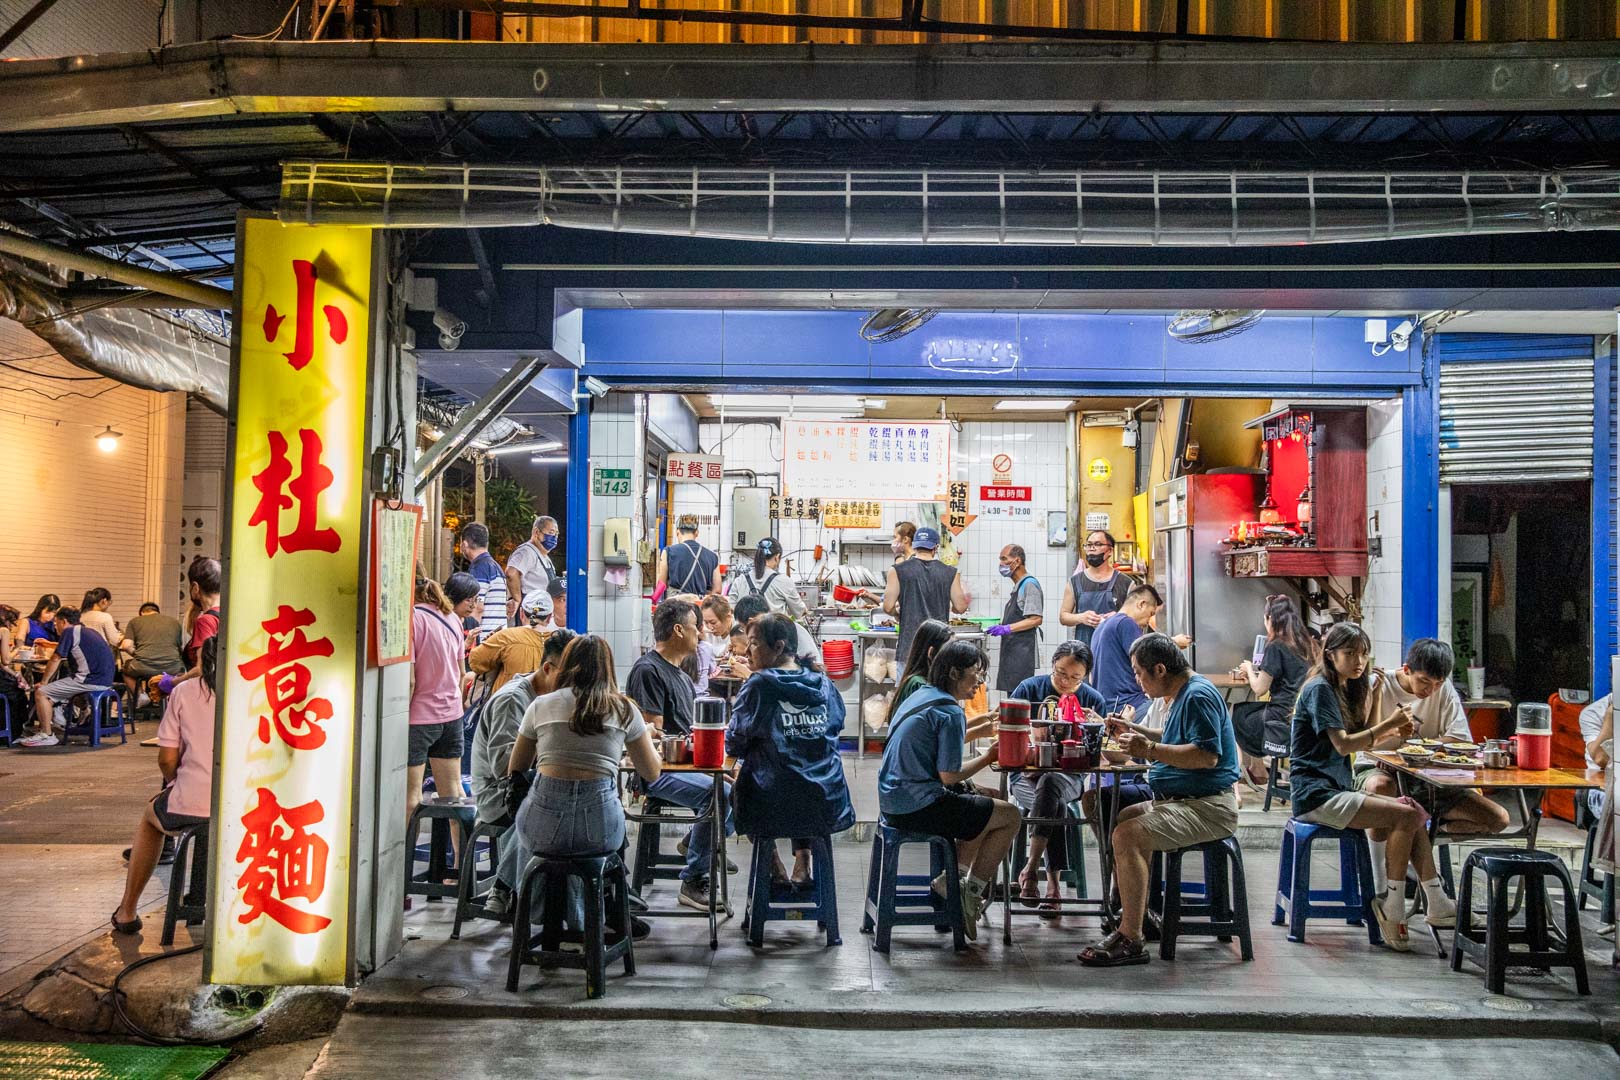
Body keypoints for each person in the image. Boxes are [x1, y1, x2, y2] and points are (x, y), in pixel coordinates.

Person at [1286, 621, 1454, 952]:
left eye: (1363, 654)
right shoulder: (1319, 688)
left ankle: (1430, 900)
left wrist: (1378, 702)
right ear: (1330, 654)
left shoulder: (1343, 688)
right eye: (1350, 653)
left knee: (1410, 810)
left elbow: (1365, 733)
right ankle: (1394, 905)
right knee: (1406, 815)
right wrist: (1390, 724)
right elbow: (1345, 746)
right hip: (1316, 794)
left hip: (1335, 789)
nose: (1359, 661)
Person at [1079, 634, 1242, 967]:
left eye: (1140, 673)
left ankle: (1131, 938)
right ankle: (1136, 913)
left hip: (1207, 806)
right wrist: (1135, 731)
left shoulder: (1197, 696)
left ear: (1161, 669)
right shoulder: (1182, 695)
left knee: (1127, 835)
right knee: (1121, 818)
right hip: (1180, 801)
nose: (1137, 681)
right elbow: (1175, 739)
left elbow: (1206, 756)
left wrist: (1148, 750)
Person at [508, 635, 662, 936]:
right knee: (606, 840)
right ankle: (610, 913)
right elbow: (651, 772)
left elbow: (515, 768)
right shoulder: (624, 710)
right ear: (607, 669)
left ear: (566, 666)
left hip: (542, 830)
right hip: (599, 832)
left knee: (530, 838)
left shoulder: (540, 706)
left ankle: (516, 904)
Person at [879, 638, 1019, 940]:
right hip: (917, 806)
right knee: (1010, 816)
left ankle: (951, 877)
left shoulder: (923, 694)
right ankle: (970, 893)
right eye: (976, 672)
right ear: (954, 672)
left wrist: (979, 730)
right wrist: (988, 757)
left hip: (893, 799)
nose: (979, 681)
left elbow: (934, 747)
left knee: (983, 803)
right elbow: (949, 776)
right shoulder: (951, 712)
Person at [1358, 639, 1511, 893]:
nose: (1430, 690)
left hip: (1427, 777)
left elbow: (1460, 738)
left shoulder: (1443, 689)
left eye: (1437, 684)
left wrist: (1422, 747)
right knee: (1381, 786)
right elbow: (1365, 742)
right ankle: (1380, 884)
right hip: (1379, 768)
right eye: (1424, 682)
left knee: (1498, 819)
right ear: (1407, 669)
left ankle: (1423, 832)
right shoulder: (1379, 683)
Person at [727, 613, 855, 886]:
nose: (748, 651)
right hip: (827, 801)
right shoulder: (823, 682)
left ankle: (773, 865)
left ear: (779, 647)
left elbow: (735, 742)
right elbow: (836, 724)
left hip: (773, 806)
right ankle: (804, 861)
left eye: (754, 643)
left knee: (751, 784)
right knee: (798, 775)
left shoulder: (759, 685)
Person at [624, 598, 735, 911]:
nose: (700, 633)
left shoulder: (681, 676)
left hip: (685, 766)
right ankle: (693, 877)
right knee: (720, 794)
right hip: (657, 773)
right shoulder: (648, 671)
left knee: (743, 787)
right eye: (694, 627)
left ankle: (698, 842)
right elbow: (648, 736)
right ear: (677, 630)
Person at [111, 636, 218, 934]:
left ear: (200, 662)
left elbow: (166, 760)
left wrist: (176, 784)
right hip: (250, 804)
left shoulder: (183, 692)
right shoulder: (257, 690)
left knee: (150, 816)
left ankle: (127, 911)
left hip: (194, 801)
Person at [470, 628, 576, 917]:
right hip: (498, 795)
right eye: (568, 678)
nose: (573, 687)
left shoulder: (552, 698)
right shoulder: (513, 700)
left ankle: (590, 899)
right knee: (552, 805)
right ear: (547, 668)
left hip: (532, 786)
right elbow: (506, 767)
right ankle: (508, 888)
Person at [1007, 640, 1107, 913]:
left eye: (1075, 677)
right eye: (1062, 672)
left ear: (1085, 676)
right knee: (1054, 799)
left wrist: (1096, 726)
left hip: (1069, 779)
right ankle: (1053, 886)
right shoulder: (1029, 689)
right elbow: (1006, 730)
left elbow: (1102, 753)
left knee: (1053, 786)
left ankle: (1030, 869)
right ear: (1053, 664)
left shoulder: (1092, 700)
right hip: (1024, 778)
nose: (1066, 681)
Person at [408, 576, 470, 867]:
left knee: (411, 799)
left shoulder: (412, 620)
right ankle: (461, 871)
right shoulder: (452, 619)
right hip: (451, 717)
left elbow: (409, 680)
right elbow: (461, 674)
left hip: (418, 719)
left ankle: (400, 876)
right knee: (454, 795)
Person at [1231, 595, 1316, 786]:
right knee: (1249, 710)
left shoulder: (1276, 645)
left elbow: (1259, 689)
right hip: (1305, 716)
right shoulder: (1307, 644)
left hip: (1281, 717)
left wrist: (1249, 670)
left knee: (1237, 714)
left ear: (1271, 619)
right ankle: (1257, 769)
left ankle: (1249, 773)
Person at [20, 605, 117, 747]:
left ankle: (47, 734)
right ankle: (84, 711)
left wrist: (44, 681)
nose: (55, 627)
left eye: (56, 623)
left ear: (63, 621)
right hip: (105, 679)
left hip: (90, 679)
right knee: (59, 693)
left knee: (42, 693)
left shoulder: (70, 631)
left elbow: (55, 658)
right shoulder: (88, 631)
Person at [1089, 582, 1189, 714]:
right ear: (1141, 604)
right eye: (1151, 613)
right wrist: (1173, 642)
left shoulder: (1101, 627)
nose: (1149, 620)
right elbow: (1147, 655)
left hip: (1105, 707)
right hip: (1129, 705)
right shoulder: (1126, 623)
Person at [882, 526, 969, 664]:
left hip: (910, 648)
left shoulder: (897, 570)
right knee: (937, 685)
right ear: (935, 548)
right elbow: (961, 607)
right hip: (939, 649)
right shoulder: (950, 573)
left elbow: (887, 607)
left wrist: (897, 613)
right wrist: (949, 606)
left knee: (909, 685)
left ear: (915, 546)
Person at [469, 589, 560, 692]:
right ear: (549, 617)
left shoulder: (505, 637)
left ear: (521, 613)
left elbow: (475, 661)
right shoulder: (560, 643)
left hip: (508, 705)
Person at [160, 556, 221, 697]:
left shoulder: (205, 621)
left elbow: (201, 669)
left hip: (206, 695)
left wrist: (173, 682)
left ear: (195, 588)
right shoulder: (231, 615)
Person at [1059, 530, 1134, 646]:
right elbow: (1063, 617)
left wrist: (1119, 617)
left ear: (1110, 551)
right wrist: (1081, 617)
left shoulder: (1126, 583)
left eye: (1098, 544)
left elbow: (1138, 617)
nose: (1092, 548)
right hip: (1084, 652)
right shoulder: (1074, 582)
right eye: (1088, 545)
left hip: (1116, 650)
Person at [990, 544, 1043, 694]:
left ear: (1017, 561)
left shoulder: (1029, 585)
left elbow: (1035, 619)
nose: (1001, 564)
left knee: (1019, 699)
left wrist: (1007, 628)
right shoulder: (1018, 586)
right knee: (1012, 698)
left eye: (1004, 559)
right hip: (1013, 652)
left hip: (1022, 654)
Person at [728, 594, 817, 677]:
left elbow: (783, 682)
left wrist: (749, 675)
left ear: (751, 621)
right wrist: (752, 662)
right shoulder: (780, 626)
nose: (747, 650)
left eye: (743, 628)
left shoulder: (775, 632)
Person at [886, 618, 957, 722]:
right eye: (948, 653)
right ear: (931, 653)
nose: (954, 659)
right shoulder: (919, 685)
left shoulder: (921, 681)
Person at [727, 537, 807, 621]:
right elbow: (799, 612)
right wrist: (804, 610)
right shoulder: (784, 581)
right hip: (775, 633)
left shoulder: (740, 580)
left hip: (747, 633)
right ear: (777, 557)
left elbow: (732, 609)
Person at [118, 602, 185, 703]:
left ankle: (141, 696)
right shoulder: (174, 622)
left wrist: (137, 655)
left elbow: (126, 645)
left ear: (141, 613)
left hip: (143, 667)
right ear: (157, 612)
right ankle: (171, 699)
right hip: (172, 668)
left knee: (124, 670)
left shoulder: (135, 621)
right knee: (181, 671)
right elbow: (180, 647)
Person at [459, 523, 509, 641]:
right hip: (499, 638)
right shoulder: (495, 566)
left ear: (464, 544)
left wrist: (470, 640)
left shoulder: (479, 569)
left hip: (485, 641)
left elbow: (477, 607)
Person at [505, 515, 560, 622]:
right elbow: (511, 573)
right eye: (551, 532)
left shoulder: (544, 556)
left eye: (556, 534)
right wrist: (517, 599)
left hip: (541, 613)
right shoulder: (526, 552)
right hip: (528, 613)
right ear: (536, 532)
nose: (554, 537)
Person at [656, 514, 722, 601]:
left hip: (675, 607)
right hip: (699, 607)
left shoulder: (669, 552)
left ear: (677, 532)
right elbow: (717, 590)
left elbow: (661, 584)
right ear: (696, 533)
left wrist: (654, 600)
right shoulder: (712, 557)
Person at [0, 604, 29, 724]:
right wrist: (18, 649)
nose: (12, 627)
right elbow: (6, 660)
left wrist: (16, 674)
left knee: (16, 683)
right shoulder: (3, 630)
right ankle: (13, 730)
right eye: (12, 622)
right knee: (18, 693)